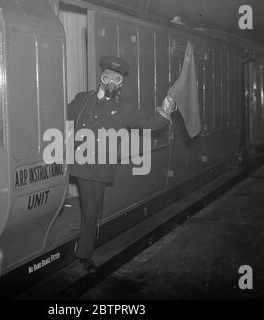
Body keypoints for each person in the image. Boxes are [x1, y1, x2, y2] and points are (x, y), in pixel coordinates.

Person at [67, 56, 175, 273]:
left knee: (91, 211)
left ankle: (84, 253)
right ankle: (83, 250)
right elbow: (61, 114)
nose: (111, 82)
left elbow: (150, 123)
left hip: (98, 168)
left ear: (121, 83)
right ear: (101, 78)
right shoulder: (82, 99)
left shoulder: (125, 108)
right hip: (77, 163)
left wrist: (165, 111)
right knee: (89, 209)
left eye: (116, 79)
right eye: (108, 76)